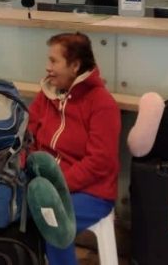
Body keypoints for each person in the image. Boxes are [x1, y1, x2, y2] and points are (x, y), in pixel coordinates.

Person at [28, 33, 120, 265]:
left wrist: (57, 186)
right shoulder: (46, 95)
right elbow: (28, 137)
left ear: (75, 66)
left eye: (54, 61)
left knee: (53, 220)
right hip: (45, 185)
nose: (48, 68)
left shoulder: (101, 104)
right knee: (9, 208)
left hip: (92, 192)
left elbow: (100, 162)